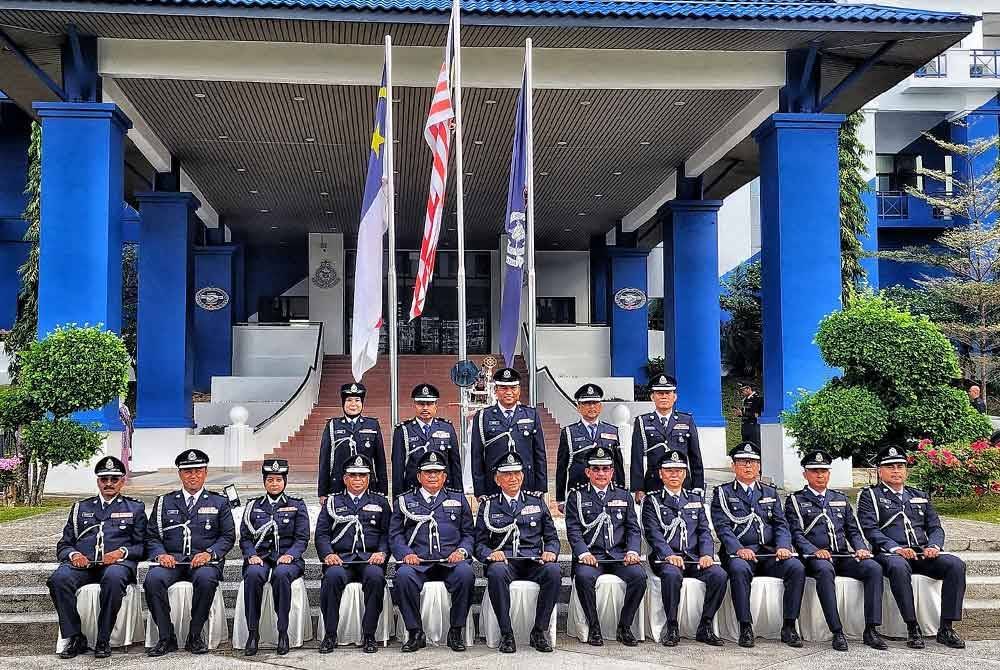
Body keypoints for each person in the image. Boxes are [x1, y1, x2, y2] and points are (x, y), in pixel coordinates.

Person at [856, 445, 967, 650]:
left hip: (921, 552)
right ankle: (912, 627)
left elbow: (935, 527)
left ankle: (946, 628)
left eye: (900, 466)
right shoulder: (870, 496)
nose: (896, 471)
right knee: (898, 567)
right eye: (890, 467)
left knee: (955, 565)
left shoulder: (919, 494)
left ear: (906, 470)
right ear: (880, 471)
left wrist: (934, 545)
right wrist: (895, 548)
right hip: (890, 555)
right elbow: (870, 530)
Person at [785, 450, 887, 651]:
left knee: (873, 568)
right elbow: (795, 534)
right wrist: (814, 550)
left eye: (824, 471)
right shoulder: (796, 501)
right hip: (815, 558)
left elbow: (853, 530)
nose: (820, 475)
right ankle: (837, 631)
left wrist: (860, 548)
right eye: (815, 471)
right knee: (824, 570)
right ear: (805, 474)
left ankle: (871, 629)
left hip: (841, 554)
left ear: (829, 474)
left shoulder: (839, 498)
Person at [48, 456, 146, 659]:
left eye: (114, 479)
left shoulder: (134, 508)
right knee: (58, 579)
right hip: (83, 565)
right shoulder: (80, 508)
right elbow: (64, 544)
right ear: (98, 481)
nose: (109, 483)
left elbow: (142, 546)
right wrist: (74, 554)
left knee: (113, 578)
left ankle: (103, 638)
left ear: (122, 481)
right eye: (104, 479)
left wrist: (122, 553)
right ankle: (75, 637)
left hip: (116, 564)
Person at [711, 441, 804, 649]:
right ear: (734, 466)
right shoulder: (723, 493)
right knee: (738, 569)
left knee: (796, 568)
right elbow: (722, 527)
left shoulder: (769, 493)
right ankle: (745, 626)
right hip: (740, 554)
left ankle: (789, 626)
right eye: (743, 462)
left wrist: (783, 546)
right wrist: (738, 549)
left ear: (759, 466)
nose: (748, 466)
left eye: (753, 462)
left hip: (770, 553)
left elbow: (781, 524)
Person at [144, 449, 236, 657]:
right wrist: (160, 555)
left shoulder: (219, 502)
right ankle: (166, 637)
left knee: (206, 579)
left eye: (197, 471)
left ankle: (195, 636)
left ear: (205, 473)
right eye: (187, 472)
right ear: (180, 474)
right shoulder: (164, 502)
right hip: (172, 561)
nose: (193, 476)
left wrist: (210, 554)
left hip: (203, 562)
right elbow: (151, 536)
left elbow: (228, 536)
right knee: (153, 579)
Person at [389, 450, 476, 652]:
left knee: (466, 574)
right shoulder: (404, 501)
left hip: (450, 562)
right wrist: (405, 554)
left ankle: (455, 630)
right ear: (419, 476)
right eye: (428, 472)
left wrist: (462, 551)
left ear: (445, 476)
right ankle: (415, 632)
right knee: (402, 576)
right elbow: (395, 535)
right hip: (417, 562)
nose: (433, 476)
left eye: (437, 472)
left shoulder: (458, 499)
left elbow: (469, 534)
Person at [474, 452, 561, 653]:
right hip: (505, 563)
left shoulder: (536, 502)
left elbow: (552, 538)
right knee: (495, 572)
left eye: (516, 473)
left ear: (522, 476)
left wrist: (550, 552)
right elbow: (478, 543)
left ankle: (539, 631)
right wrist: (490, 554)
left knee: (554, 572)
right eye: (507, 474)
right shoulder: (488, 505)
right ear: (497, 479)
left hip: (533, 561)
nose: (513, 478)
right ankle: (506, 633)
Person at [641, 450, 726, 648]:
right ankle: (672, 626)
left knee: (719, 575)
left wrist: (706, 554)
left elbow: (704, 531)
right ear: (661, 474)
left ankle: (705, 625)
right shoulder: (652, 501)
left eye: (679, 470)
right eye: (669, 470)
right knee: (671, 575)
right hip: (665, 559)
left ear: (685, 474)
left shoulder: (695, 499)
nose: (674, 474)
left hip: (694, 558)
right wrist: (669, 555)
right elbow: (653, 533)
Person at [565, 447, 646, 647]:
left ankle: (624, 627)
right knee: (584, 577)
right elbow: (573, 531)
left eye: (606, 469)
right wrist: (583, 553)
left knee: (639, 577)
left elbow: (633, 529)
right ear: (588, 472)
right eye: (596, 469)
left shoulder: (623, 495)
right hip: (592, 557)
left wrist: (633, 551)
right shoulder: (577, 497)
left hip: (619, 556)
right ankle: (594, 627)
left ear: (612, 472)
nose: (601, 473)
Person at [315, 454, 391, 654]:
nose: (358, 479)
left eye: (362, 476)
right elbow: (322, 534)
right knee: (332, 577)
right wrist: (328, 555)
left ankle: (369, 635)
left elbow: (386, 533)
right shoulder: (332, 502)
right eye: (353, 475)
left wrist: (382, 553)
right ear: (345, 478)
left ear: (368, 478)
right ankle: (330, 634)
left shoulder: (380, 502)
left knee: (375, 577)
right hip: (341, 560)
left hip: (369, 559)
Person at [238, 458, 310, 656]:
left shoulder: (297, 505)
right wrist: (251, 555)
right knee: (252, 575)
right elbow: (244, 538)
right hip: (260, 558)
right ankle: (253, 634)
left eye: (279, 480)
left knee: (281, 575)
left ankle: (283, 632)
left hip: (287, 559)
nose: (275, 484)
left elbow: (302, 538)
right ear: (264, 482)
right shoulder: (253, 506)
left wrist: (290, 555)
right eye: (270, 480)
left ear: (285, 481)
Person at [470, 367, 547, 499]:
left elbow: (539, 454)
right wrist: (480, 491)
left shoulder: (531, 414)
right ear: (495, 391)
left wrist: (541, 487)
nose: (509, 392)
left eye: (513, 388)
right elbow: (477, 456)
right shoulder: (483, 416)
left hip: (526, 484)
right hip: (495, 485)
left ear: (519, 390)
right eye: (504, 388)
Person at [631, 374, 704, 502]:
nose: (664, 396)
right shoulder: (642, 421)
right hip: (654, 483)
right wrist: (639, 488)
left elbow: (695, 456)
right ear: (652, 397)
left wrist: (698, 485)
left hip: (682, 483)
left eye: (667, 393)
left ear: (674, 397)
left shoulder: (686, 420)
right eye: (659, 393)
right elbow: (636, 457)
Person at [556, 383, 625, 511]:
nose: (591, 407)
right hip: (578, 492)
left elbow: (618, 466)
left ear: (600, 406)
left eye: (595, 403)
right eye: (587, 403)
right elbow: (562, 468)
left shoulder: (612, 431)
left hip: (607, 493)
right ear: (578, 407)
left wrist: (621, 492)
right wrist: (561, 498)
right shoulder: (569, 432)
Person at [318, 382, 388, 502]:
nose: (353, 404)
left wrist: (383, 490)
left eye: (357, 400)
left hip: (367, 486)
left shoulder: (372, 425)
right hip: (338, 486)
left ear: (362, 403)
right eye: (349, 400)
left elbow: (380, 461)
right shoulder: (332, 426)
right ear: (343, 403)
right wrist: (323, 492)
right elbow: (324, 461)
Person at [391, 383, 461, 496]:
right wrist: (397, 499)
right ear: (414, 405)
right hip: (413, 493)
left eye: (429, 404)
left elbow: (455, 465)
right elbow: (398, 470)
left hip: (443, 491)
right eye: (421, 404)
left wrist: (458, 495)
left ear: (436, 406)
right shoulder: (402, 430)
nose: (425, 408)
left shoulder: (447, 428)